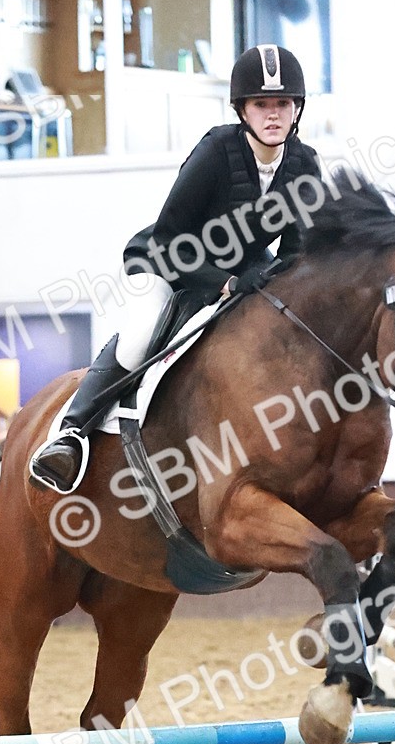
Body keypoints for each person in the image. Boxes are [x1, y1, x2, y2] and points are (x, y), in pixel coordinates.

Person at [30, 43, 323, 494]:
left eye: (282, 103)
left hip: (244, 267)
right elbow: (170, 238)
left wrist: (277, 281)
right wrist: (226, 283)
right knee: (142, 334)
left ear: (297, 108)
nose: (272, 114)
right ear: (242, 109)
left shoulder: (305, 164)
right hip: (167, 262)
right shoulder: (215, 151)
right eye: (262, 104)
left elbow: (298, 252)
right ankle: (71, 433)